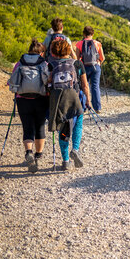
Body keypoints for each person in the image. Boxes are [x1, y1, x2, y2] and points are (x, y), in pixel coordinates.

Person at [47, 40, 91, 171]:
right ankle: (75, 149)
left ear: (53, 52)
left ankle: (65, 161)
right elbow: (85, 85)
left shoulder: (49, 65)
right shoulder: (77, 63)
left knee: (63, 129)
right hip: (74, 100)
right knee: (78, 122)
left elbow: (47, 84)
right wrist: (88, 100)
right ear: (69, 50)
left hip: (58, 102)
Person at [7, 39, 49, 173]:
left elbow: (12, 82)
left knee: (27, 127)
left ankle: (29, 152)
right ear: (41, 52)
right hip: (41, 99)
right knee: (40, 126)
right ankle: (38, 155)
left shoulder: (20, 63)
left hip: (22, 100)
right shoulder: (44, 63)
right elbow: (48, 80)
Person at [75, 26, 105, 112]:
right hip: (95, 67)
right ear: (92, 34)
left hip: (84, 67)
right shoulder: (97, 43)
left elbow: (77, 59)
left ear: (84, 34)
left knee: (84, 86)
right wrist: (99, 63)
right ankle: (97, 108)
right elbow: (102, 57)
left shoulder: (79, 44)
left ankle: (83, 107)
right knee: (95, 86)